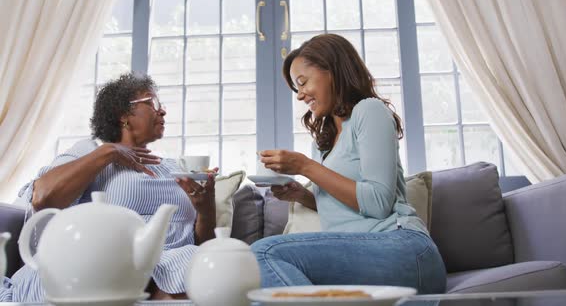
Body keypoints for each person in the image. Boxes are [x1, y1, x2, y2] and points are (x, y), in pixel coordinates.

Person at [252, 34, 447, 293]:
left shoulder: (369, 111)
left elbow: (377, 204)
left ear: (332, 70)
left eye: (302, 82)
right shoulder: (324, 143)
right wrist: (303, 196)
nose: (299, 96)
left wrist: (305, 167)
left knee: (262, 254)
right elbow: (347, 210)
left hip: (401, 247)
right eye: (296, 89)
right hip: (361, 253)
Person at [0, 73, 217, 302]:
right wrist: (109, 152)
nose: (162, 111)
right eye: (151, 103)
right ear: (123, 115)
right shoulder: (89, 154)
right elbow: (44, 197)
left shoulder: (176, 169)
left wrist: (205, 208)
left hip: (171, 264)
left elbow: (202, 244)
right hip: (99, 264)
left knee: (205, 271)